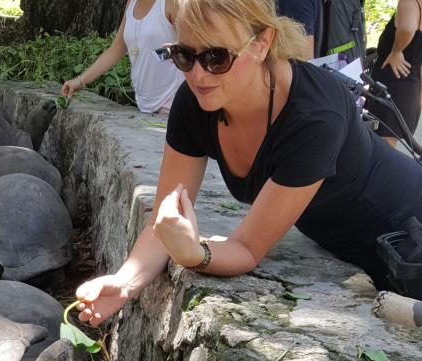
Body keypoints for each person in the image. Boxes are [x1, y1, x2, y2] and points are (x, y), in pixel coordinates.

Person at [75, 0, 422, 324]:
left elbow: (246, 248)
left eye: (217, 57)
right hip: (346, 241)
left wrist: (196, 253)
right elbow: (163, 223)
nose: (197, 75)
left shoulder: (315, 115)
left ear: (261, 42)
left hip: (408, 230)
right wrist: (124, 284)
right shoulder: (195, 102)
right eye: (182, 55)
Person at [61, 0, 184, 117]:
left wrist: (159, 54)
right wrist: (80, 80)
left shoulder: (171, 3)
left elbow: (192, 45)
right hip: (144, 104)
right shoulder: (131, 3)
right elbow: (116, 50)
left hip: (173, 101)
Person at [367, 0, 422, 145]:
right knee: (385, 152)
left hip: (392, 87)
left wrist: (396, 51)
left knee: (378, 152)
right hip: (410, 91)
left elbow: (407, 28)